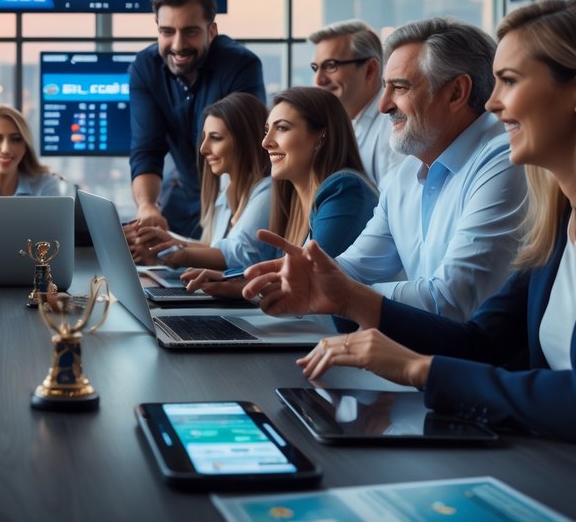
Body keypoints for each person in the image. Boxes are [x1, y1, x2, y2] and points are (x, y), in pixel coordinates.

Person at [244, 0, 576, 468]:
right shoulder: (561, 226)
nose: (492, 102)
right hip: (560, 468)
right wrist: (349, 301)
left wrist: (418, 368)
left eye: (508, 81)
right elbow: (481, 343)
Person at [286, 18, 528, 321]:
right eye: (386, 88)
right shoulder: (405, 174)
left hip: (475, 363)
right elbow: (353, 268)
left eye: (399, 87)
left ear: (456, 92)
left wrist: (337, 293)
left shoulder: (505, 160)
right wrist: (288, 277)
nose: (383, 105)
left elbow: (452, 301)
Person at [180, 87, 377, 297]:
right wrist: (230, 278)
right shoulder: (294, 203)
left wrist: (238, 282)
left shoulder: (344, 189)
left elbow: (310, 275)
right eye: (266, 131)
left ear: (321, 136)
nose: (266, 142)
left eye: (282, 128)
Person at [126, 0, 266, 244]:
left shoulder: (240, 65)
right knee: (154, 264)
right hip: (184, 193)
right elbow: (147, 149)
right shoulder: (145, 67)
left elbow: (247, 153)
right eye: (167, 32)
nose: (178, 45)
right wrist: (147, 206)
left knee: (224, 265)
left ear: (211, 31)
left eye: (190, 31)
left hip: (234, 195)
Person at [130, 93, 271, 271]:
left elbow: (241, 254)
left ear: (246, 141)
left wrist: (179, 255)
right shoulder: (227, 191)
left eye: (216, 138)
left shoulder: (267, 192)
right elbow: (215, 249)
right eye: (204, 138)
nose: (203, 149)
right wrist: (169, 242)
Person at [308, 20, 402, 188]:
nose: (318, 80)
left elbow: (396, 209)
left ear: (370, 70)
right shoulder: (349, 123)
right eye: (316, 68)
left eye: (330, 66)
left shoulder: (393, 127)